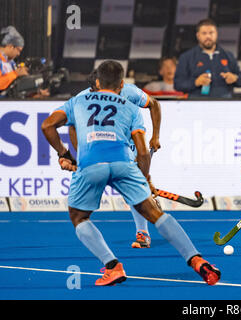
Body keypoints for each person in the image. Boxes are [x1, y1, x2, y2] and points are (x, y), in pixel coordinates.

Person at [41, 60, 221, 286]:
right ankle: (197, 260)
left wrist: (65, 155)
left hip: (91, 165)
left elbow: (47, 126)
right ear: (121, 84)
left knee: (79, 217)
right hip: (124, 162)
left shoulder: (77, 100)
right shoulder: (129, 104)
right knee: (155, 213)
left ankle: (112, 266)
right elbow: (143, 152)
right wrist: (144, 179)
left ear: (97, 81)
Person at [70, 68, 162, 249]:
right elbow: (73, 126)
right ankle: (149, 202)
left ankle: (143, 233)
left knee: (134, 189)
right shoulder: (82, 98)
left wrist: (155, 137)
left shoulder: (130, 92)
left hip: (131, 143)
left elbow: (155, 104)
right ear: (94, 87)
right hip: (103, 146)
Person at [174, 18, 241, 98]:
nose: (208, 36)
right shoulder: (186, 57)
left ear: (216, 34)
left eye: (211, 33)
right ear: (198, 36)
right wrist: (195, 82)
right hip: (197, 106)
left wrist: (235, 78)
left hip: (223, 106)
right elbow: (178, 84)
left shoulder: (228, 55)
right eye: (204, 33)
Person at [0, 26, 28, 91]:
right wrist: (16, 74)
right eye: (19, 50)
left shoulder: (11, 62)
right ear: (11, 47)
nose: (18, 54)